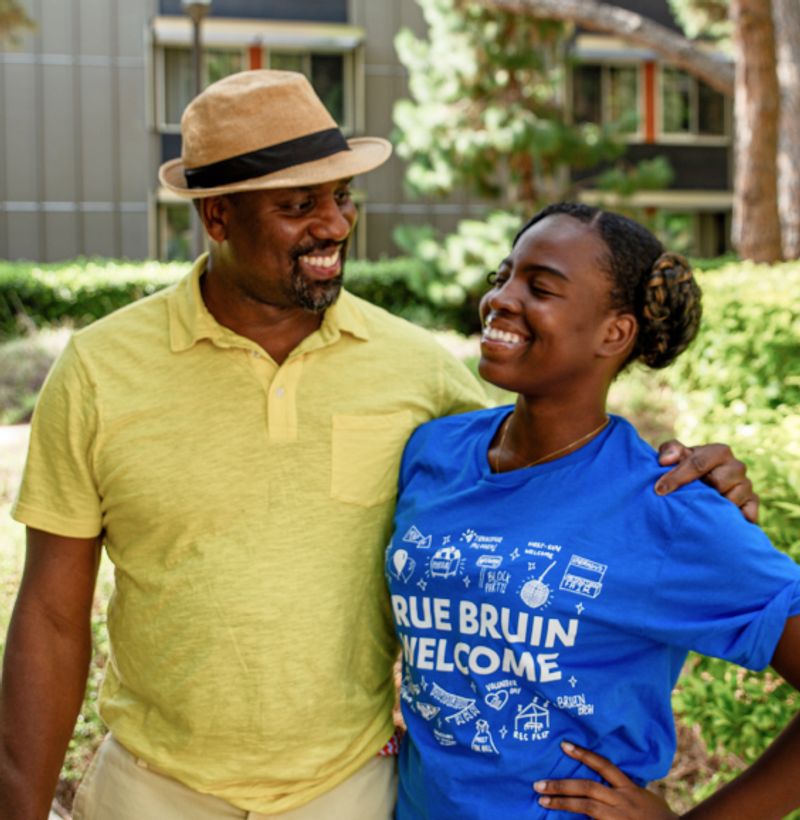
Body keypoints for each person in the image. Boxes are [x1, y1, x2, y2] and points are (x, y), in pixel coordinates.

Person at [0, 72, 756, 820]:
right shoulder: (100, 371)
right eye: (299, 205)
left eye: (341, 198)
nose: (333, 225)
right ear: (218, 216)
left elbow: (554, 452)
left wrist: (694, 475)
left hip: (351, 792)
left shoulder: (416, 367)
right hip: (151, 789)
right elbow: (52, 618)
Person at [386, 202, 800, 819]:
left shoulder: (666, 507)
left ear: (615, 333)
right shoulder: (434, 451)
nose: (500, 298)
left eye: (541, 287)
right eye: (504, 275)